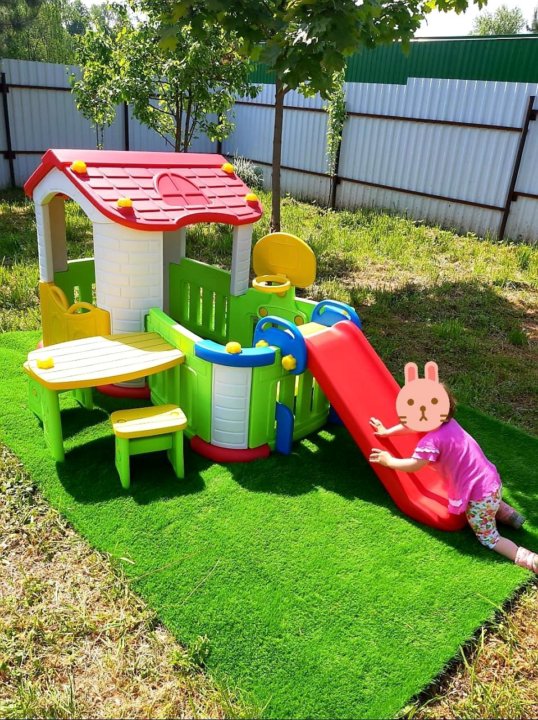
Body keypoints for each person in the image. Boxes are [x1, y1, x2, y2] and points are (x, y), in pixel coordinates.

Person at [368, 380, 537, 573]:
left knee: (489, 538)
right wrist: (387, 432)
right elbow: (413, 425)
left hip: (479, 499)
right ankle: (509, 515)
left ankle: (530, 560)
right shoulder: (449, 424)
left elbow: (414, 465)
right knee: (488, 499)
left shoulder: (431, 442)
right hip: (492, 482)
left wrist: (389, 461)